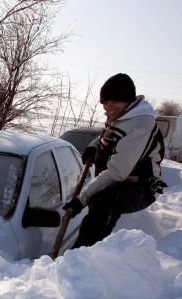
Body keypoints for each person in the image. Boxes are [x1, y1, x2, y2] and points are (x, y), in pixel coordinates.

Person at [64, 73, 166, 248]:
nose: (107, 107)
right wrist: (94, 146)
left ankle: (87, 255)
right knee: (98, 206)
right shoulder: (121, 116)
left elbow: (116, 172)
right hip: (120, 181)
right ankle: (81, 254)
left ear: (127, 100)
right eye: (104, 102)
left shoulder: (141, 124)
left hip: (140, 187)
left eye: (113, 101)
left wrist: (81, 199)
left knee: (102, 205)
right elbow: (108, 135)